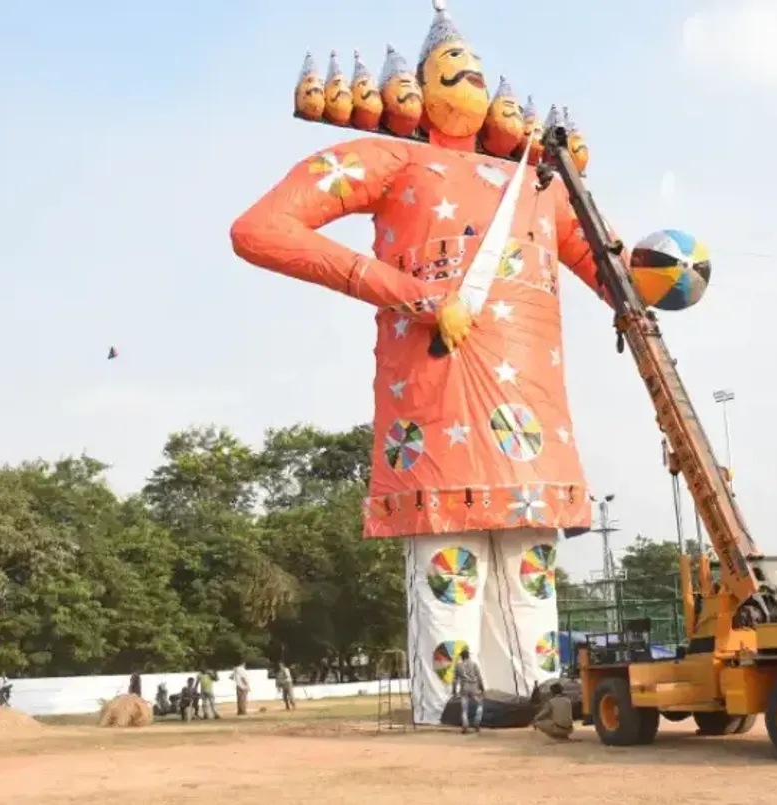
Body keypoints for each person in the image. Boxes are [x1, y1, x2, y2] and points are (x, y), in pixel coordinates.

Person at [230, 0, 608, 727]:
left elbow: (614, 265)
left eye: (472, 68)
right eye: (448, 69)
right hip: (434, 419)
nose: (464, 78)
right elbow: (261, 229)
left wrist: (669, 271)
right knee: (450, 579)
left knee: (532, 579)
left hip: (532, 432)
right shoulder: (390, 159)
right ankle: (451, 711)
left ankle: (542, 703)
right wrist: (409, 293)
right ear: (425, 87)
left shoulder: (538, 183)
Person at [451, 648, 484, 734]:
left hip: (464, 688)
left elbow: (455, 680)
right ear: (468, 656)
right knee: (480, 705)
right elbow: (479, 677)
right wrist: (482, 688)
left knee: (465, 708)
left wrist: (454, 690)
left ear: (462, 657)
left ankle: (465, 725)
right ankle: (477, 723)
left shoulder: (458, 665)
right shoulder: (474, 664)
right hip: (474, 688)